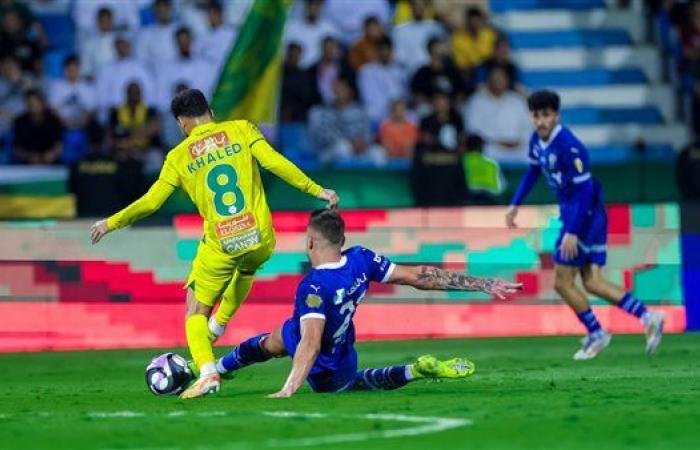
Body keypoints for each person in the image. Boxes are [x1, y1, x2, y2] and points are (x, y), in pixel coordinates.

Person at [89, 89, 339, 399]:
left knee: (194, 310)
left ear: (182, 123)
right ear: (210, 111)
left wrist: (110, 223)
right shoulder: (241, 129)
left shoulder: (178, 156)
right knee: (247, 268)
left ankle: (207, 372)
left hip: (222, 242)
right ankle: (219, 327)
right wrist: (316, 190)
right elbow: (275, 163)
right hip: (260, 237)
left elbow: (151, 202)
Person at [198, 209, 521, 398]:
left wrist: (289, 388)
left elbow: (310, 344)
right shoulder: (361, 259)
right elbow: (421, 276)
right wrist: (483, 283)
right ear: (343, 240)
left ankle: (412, 371)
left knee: (346, 382)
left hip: (325, 368)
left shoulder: (313, 286)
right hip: (342, 347)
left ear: (310, 242)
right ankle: (216, 370)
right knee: (276, 339)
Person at [505, 90, 665, 360]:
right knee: (592, 281)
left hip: (584, 216)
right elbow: (533, 171)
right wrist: (515, 203)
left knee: (562, 281)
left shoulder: (569, 146)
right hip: (581, 215)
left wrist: (572, 231)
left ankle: (597, 333)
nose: (541, 121)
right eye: (536, 115)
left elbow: (583, 192)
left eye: (546, 115)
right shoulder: (536, 141)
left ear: (556, 115)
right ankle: (648, 317)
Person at [464, 65, 531, 164]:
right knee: (483, 154)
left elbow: (528, 126)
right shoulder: (477, 101)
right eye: (495, 78)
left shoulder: (517, 101)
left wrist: (518, 141)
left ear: (507, 80)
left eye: (501, 78)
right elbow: (473, 128)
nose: (498, 81)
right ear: (488, 80)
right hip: (491, 147)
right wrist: (498, 141)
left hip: (517, 147)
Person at [357, 35, 407, 124]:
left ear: (392, 51)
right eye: (382, 50)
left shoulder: (400, 71)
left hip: (398, 114)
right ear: (376, 51)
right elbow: (369, 98)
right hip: (376, 116)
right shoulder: (366, 71)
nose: (385, 53)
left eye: (388, 50)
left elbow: (404, 95)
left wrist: (396, 111)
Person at [12, 89, 64, 165]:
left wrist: (51, 155)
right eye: (30, 103)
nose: (33, 105)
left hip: (51, 162)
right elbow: (16, 149)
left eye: (35, 102)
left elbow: (59, 144)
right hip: (26, 163)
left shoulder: (53, 120)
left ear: (43, 103)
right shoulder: (20, 121)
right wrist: (30, 157)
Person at [283, 0, 339, 69]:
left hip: (318, 74)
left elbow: (333, 56)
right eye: (311, 5)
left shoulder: (329, 29)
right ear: (305, 6)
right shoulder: (291, 27)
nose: (313, 8)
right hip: (293, 71)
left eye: (317, 5)